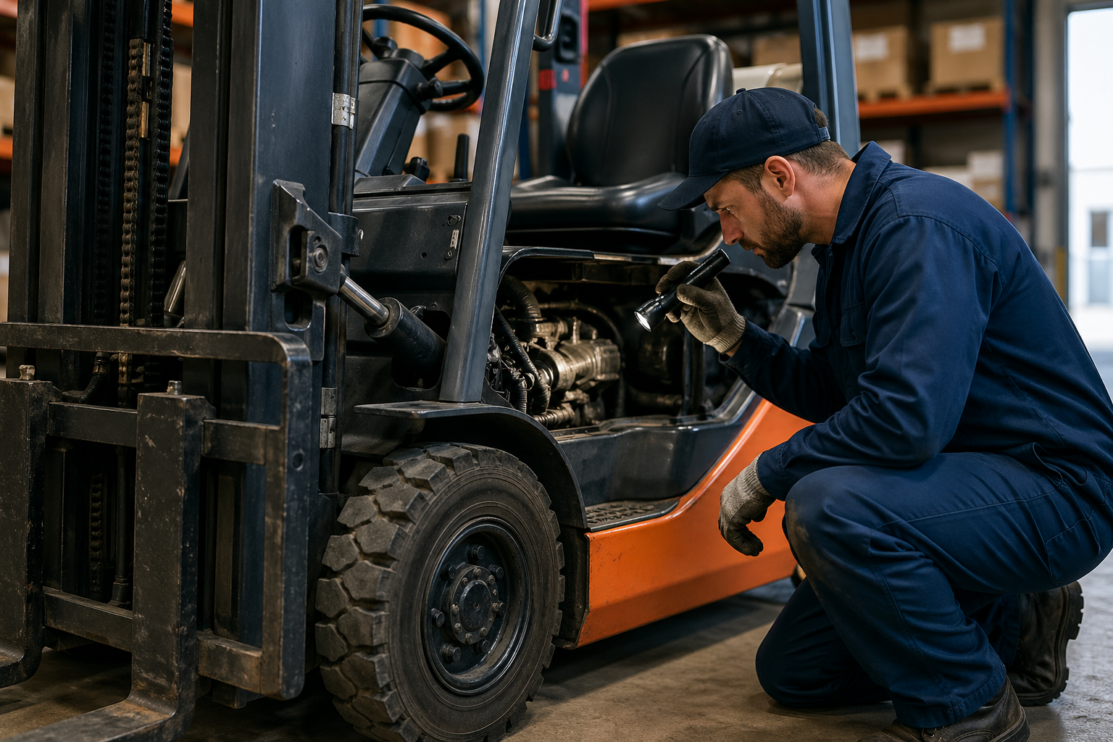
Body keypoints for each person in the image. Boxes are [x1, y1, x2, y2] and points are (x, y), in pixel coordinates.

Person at [656, 88, 1113, 742]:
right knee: (797, 672)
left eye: (725, 209)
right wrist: (736, 340)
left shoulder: (913, 226)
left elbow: (903, 421)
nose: (727, 235)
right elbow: (839, 391)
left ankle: (970, 712)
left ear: (779, 176)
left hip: (1054, 490)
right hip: (965, 479)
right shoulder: (845, 244)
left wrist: (768, 473)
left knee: (829, 505)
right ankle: (1012, 625)